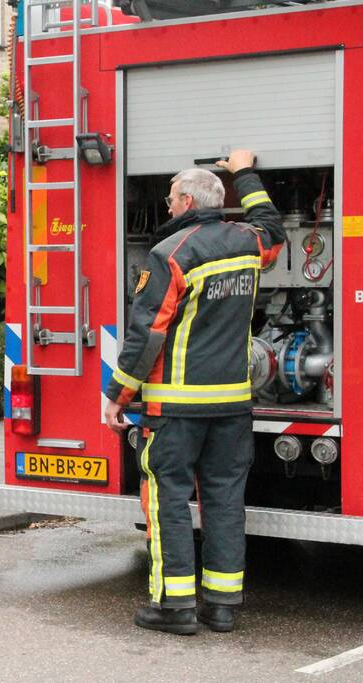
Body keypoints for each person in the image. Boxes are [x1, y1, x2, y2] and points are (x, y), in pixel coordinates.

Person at [103, 150, 285, 635]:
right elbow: (273, 225)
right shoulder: (249, 243)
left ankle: (174, 606)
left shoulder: (172, 254)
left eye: (169, 199)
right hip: (232, 404)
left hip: (176, 409)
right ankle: (223, 606)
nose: (166, 208)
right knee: (225, 499)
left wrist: (117, 396)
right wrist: (245, 173)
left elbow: (147, 334)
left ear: (185, 200)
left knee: (167, 502)